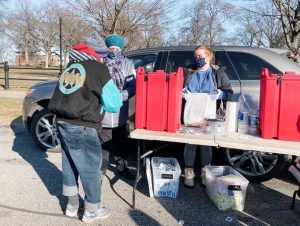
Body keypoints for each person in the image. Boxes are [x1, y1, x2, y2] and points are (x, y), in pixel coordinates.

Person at [48, 33, 122, 223]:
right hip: (83, 125)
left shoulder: (71, 66)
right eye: (103, 55)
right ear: (98, 54)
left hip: (61, 121)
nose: (104, 59)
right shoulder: (98, 68)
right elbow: (114, 103)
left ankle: (72, 206)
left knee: (70, 165)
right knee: (90, 167)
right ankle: (91, 211)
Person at [183, 45, 233, 187]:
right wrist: (183, 92)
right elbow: (177, 89)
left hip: (209, 116)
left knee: (206, 145)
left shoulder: (218, 73)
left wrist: (220, 94)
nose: (197, 59)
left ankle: (205, 172)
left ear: (209, 57)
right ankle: (189, 172)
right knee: (190, 143)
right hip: (191, 114)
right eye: (196, 56)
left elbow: (229, 92)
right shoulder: (189, 72)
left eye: (200, 56)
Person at [99, 34, 136, 181]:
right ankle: (101, 171)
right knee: (104, 145)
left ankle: (122, 168)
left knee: (121, 143)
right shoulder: (101, 64)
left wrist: (123, 95)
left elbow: (133, 85)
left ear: (121, 48)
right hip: (105, 112)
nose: (114, 50)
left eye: (117, 48)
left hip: (121, 111)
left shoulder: (128, 64)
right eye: (111, 48)